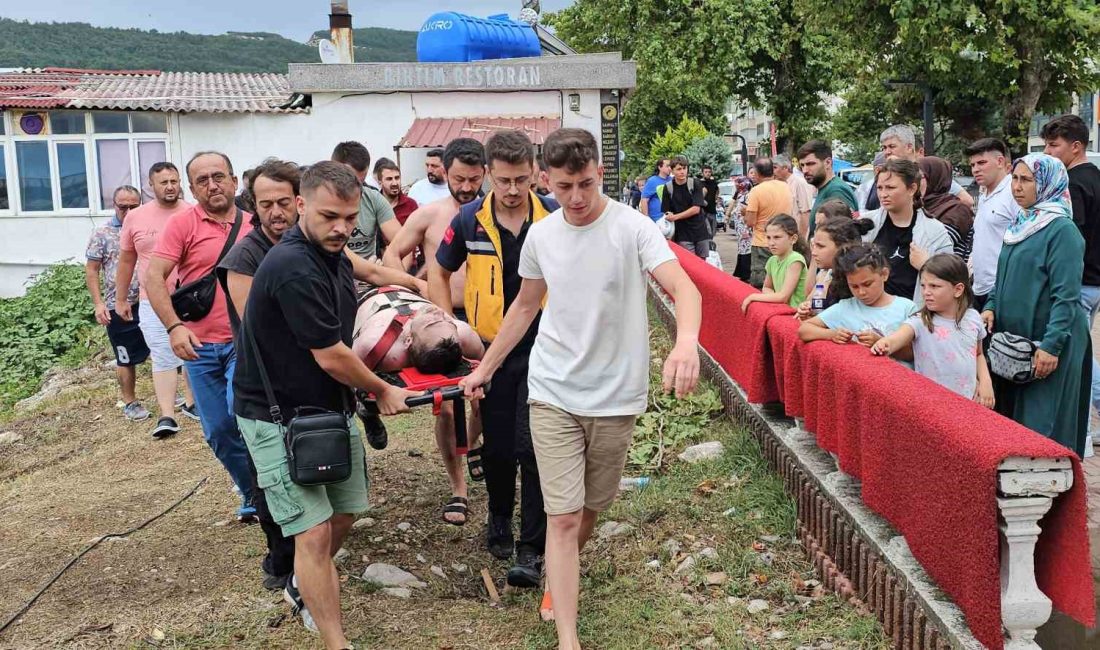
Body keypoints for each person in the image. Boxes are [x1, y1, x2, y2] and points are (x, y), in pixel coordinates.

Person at [459, 127, 702, 650]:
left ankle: (556, 570)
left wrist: (686, 344)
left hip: (616, 394)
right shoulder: (542, 236)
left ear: (599, 175)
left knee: (593, 505)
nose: (576, 198)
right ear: (548, 179)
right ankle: (567, 636)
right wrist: (486, 368)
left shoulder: (633, 229)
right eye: (565, 186)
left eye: (586, 184)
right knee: (563, 516)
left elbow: (682, 287)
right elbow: (525, 306)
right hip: (552, 390)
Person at [234, 161, 415, 648]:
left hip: (325, 410)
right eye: (329, 216)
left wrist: (414, 291)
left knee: (346, 511)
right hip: (275, 417)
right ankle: (337, 641)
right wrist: (381, 389)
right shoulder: (292, 266)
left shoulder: (332, 252)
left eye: (350, 217)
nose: (341, 227)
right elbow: (333, 356)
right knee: (312, 535)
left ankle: (302, 577)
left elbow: (370, 278)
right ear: (300, 206)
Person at [432, 129, 559, 587]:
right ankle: (499, 519)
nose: (510, 190)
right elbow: (439, 270)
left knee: (537, 446)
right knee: (500, 445)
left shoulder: (554, 216)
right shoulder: (469, 220)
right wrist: (451, 328)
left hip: (546, 347)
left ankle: (532, 544)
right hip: (491, 350)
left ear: (534, 175)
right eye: (502, 180)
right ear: (487, 175)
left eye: (520, 180)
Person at [146, 151, 257, 522]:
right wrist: (175, 327)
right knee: (218, 431)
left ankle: (267, 495)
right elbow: (152, 277)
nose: (213, 185)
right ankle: (252, 491)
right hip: (200, 348)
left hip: (248, 343)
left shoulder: (256, 224)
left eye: (218, 176)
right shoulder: (182, 225)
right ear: (192, 189)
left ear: (234, 180)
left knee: (242, 416)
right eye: (203, 181)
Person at [382, 138, 488, 493]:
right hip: (440, 318)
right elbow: (391, 255)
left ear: (484, 174)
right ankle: (457, 486)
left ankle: (473, 444)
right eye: (459, 178)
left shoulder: (495, 213)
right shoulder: (428, 215)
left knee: (484, 396)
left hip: (486, 318)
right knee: (444, 405)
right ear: (445, 172)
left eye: (474, 179)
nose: (466, 187)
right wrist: (414, 289)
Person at [982, 153, 1090, 457]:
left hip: (1048, 341)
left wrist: (1051, 346)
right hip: (1015, 341)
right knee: (1013, 419)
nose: (1017, 187)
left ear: (1046, 183)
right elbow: (1001, 275)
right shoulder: (1020, 222)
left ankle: (1051, 498)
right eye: (1015, 179)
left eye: (1026, 180)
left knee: (1043, 422)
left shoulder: (1061, 230)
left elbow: (1066, 296)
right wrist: (990, 304)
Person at [116, 162, 197, 438]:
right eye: (163, 182)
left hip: (191, 296)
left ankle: (192, 402)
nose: (170, 186)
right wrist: (121, 297)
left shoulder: (192, 212)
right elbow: (127, 259)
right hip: (152, 298)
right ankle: (167, 415)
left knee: (193, 352)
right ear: (151, 186)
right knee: (162, 354)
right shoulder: (136, 217)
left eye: (174, 181)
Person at [1041, 114, 1100, 442]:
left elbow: (1070, 239)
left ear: (1076, 147)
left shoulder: (1074, 183)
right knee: (1080, 351)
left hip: (1078, 282)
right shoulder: (1095, 177)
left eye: (1054, 145)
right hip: (1092, 282)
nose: (1049, 152)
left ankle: (1082, 428)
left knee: (1075, 355)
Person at [872, 254, 993, 406]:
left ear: (958, 289)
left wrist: (985, 382)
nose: (926, 292)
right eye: (923, 285)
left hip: (968, 403)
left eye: (934, 286)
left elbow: (979, 353)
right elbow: (898, 337)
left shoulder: (973, 317)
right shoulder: (920, 321)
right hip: (931, 405)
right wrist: (885, 343)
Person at [86, 186, 150, 422]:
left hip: (150, 299)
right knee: (125, 356)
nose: (128, 211)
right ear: (114, 205)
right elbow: (92, 271)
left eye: (134, 206)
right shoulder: (102, 233)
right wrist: (99, 304)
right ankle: (130, 401)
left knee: (163, 347)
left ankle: (172, 393)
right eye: (123, 206)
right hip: (117, 305)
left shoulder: (147, 227)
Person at [860, 158, 952, 304]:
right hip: (869, 312)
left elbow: (951, 279)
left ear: (912, 189)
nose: (883, 194)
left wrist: (927, 265)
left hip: (913, 316)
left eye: (890, 188)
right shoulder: (866, 224)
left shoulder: (934, 231)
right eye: (879, 188)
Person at [798, 243, 917, 347]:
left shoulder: (906, 308)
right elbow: (804, 330)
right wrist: (832, 334)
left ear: (884, 274)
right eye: (854, 286)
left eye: (867, 284)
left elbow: (914, 352)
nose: (861, 292)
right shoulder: (845, 307)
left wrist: (882, 342)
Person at [351, 286, 484, 372]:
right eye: (450, 322)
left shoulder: (375, 344)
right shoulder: (463, 334)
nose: (440, 313)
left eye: (431, 322)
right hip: (407, 285)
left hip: (362, 290)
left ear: (408, 340)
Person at [964, 138, 1016, 311]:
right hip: (979, 287)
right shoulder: (985, 194)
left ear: (1000, 161)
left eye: (981, 163)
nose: (976, 169)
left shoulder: (1014, 193)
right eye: (972, 165)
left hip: (1003, 289)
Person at [875, 125, 975, 210]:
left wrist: (935, 219)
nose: (887, 152)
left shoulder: (927, 172)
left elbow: (967, 201)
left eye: (892, 146)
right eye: (884, 148)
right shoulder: (886, 174)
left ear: (909, 147)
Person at [331, 141, 399, 262]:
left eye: (360, 183)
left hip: (369, 273)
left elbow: (401, 242)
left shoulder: (373, 198)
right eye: (349, 181)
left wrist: (397, 274)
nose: (355, 189)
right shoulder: (319, 202)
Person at [796, 217, 875, 320]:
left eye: (820, 246)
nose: (814, 252)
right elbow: (815, 303)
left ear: (843, 247)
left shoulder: (855, 279)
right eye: (813, 245)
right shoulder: (828, 273)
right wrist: (807, 308)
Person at [741, 214, 808, 311]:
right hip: (781, 309)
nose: (771, 243)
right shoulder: (772, 260)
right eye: (768, 238)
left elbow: (783, 297)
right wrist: (775, 297)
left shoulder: (795, 260)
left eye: (777, 237)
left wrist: (752, 297)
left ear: (793, 239)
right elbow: (766, 288)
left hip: (794, 313)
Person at [744, 158, 793, 288]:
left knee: (762, 284)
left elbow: (750, 222)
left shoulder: (756, 191)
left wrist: (745, 212)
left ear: (757, 173)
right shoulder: (785, 186)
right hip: (784, 240)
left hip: (762, 242)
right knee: (781, 281)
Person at [797, 140, 859, 236]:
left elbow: (842, 236)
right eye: (802, 165)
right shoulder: (825, 188)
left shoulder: (836, 190)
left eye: (810, 164)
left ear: (828, 163)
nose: (805, 170)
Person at [919, 156, 974, 259]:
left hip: (945, 272)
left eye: (919, 177)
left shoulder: (956, 210)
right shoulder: (921, 206)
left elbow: (934, 247)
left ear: (934, 177)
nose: (914, 182)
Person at [661, 156, 710, 259]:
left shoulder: (695, 183)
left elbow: (696, 209)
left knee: (702, 264)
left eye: (684, 168)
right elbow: (666, 211)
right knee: (690, 264)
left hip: (700, 230)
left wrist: (675, 217)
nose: (682, 172)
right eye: (679, 169)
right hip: (682, 234)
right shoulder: (668, 187)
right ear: (672, 171)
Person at [774, 155, 813, 236]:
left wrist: (801, 239)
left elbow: (805, 212)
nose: (772, 171)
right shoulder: (777, 184)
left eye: (775, 167)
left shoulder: (800, 183)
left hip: (795, 233)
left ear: (785, 168)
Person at [726, 175, 754, 282]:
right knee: (742, 247)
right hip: (740, 227)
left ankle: (746, 272)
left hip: (746, 226)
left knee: (746, 247)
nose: (737, 185)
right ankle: (742, 271)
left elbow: (748, 210)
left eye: (739, 183)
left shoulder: (749, 195)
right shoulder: (740, 194)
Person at [375, 159, 418, 226]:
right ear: (380, 182)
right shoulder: (373, 205)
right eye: (389, 179)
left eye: (397, 178)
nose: (394, 183)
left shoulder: (411, 205)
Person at [700, 165, 720, 236]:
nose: (708, 173)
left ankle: (710, 245)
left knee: (713, 231)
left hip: (712, 210)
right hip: (703, 211)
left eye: (709, 172)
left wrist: (717, 199)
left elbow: (717, 191)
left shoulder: (713, 182)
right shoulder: (699, 183)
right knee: (707, 231)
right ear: (702, 173)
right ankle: (707, 246)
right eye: (706, 172)